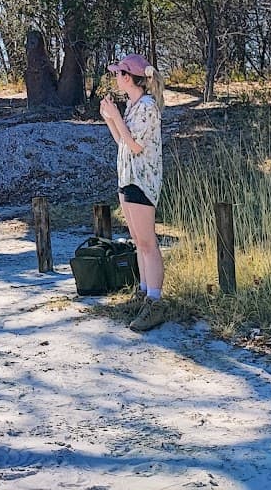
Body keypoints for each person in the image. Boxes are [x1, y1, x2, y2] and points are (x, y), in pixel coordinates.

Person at [98, 54, 166, 333]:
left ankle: (156, 302)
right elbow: (123, 142)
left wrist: (115, 117)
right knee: (138, 241)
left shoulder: (147, 107)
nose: (116, 78)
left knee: (148, 243)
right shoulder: (133, 106)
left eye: (118, 74)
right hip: (128, 178)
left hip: (142, 181)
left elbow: (137, 146)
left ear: (129, 77)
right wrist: (111, 120)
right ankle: (143, 292)